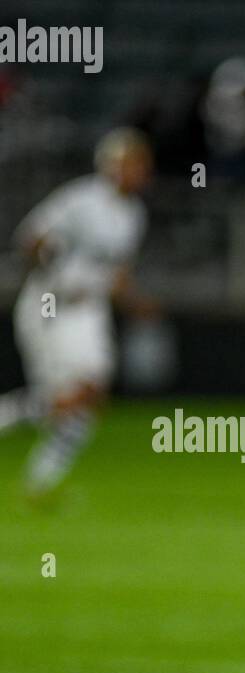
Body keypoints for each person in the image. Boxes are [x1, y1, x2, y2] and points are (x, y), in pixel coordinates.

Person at [0, 129, 154, 500]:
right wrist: (49, 259)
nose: (140, 172)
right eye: (133, 163)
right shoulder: (80, 199)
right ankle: (18, 436)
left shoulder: (134, 215)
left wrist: (136, 303)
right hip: (51, 305)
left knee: (90, 396)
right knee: (65, 398)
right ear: (112, 164)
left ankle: (40, 484)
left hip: (89, 311)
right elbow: (31, 239)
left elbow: (117, 273)